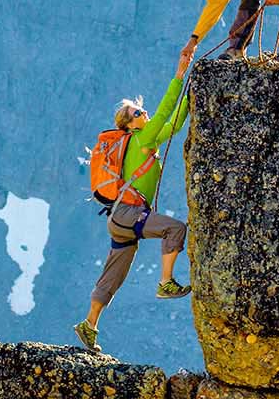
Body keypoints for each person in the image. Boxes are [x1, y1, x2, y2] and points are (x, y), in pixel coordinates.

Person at [74, 48, 194, 353]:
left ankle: (88, 326)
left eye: (140, 110)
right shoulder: (142, 138)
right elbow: (167, 112)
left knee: (113, 274)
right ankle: (165, 282)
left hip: (119, 220)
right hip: (129, 214)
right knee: (175, 229)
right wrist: (180, 76)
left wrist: (192, 100)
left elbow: (175, 124)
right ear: (130, 125)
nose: (144, 113)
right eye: (137, 114)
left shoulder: (142, 139)